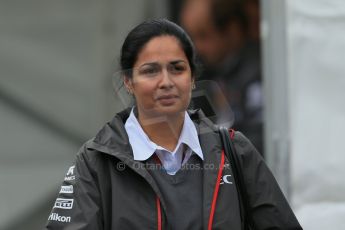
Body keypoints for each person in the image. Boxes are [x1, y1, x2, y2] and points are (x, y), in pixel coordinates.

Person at [45, 19, 301, 230]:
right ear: (128, 81)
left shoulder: (234, 151)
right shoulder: (96, 161)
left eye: (177, 68)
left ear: (192, 78)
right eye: (150, 71)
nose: (166, 81)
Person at [180, 0, 263, 153]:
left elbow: (256, 143)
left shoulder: (259, 73)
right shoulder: (205, 71)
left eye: (203, 35)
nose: (197, 47)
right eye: (192, 37)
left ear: (232, 30)